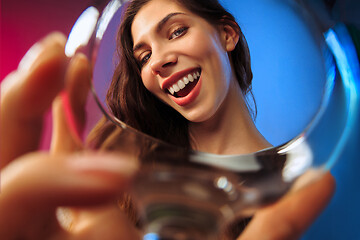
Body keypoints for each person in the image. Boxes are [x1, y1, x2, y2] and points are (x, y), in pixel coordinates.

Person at [0, 0, 335, 239]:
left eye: (176, 31)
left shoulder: (297, 193)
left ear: (227, 35)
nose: (158, 60)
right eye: (143, 56)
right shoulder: (118, 167)